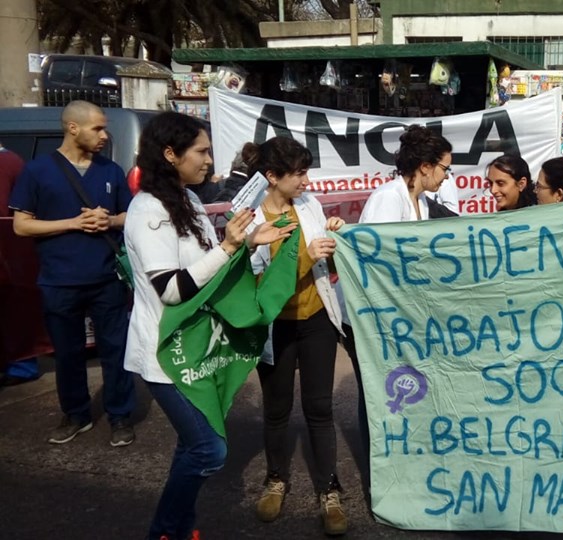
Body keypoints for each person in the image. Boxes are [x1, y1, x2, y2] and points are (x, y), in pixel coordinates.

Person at [123, 112, 295, 540]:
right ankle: (164, 530)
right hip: (165, 354)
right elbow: (172, 290)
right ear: (169, 154)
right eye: (200, 151)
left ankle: (180, 528)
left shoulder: (190, 201)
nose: (209, 159)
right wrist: (228, 245)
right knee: (208, 449)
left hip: (196, 346)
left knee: (193, 445)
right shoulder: (147, 210)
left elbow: (208, 267)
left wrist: (250, 242)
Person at [8, 100, 137, 446]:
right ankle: (76, 414)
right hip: (59, 279)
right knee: (68, 353)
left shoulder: (110, 171)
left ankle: (120, 416)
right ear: (72, 127)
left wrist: (109, 220)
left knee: (116, 350)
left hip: (107, 277)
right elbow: (22, 226)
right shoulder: (37, 171)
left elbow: (130, 214)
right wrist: (74, 223)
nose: (105, 136)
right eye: (97, 128)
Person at [245, 137, 350, 535]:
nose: (306, 181)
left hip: (317, 318)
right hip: (275, 324)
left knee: (320, 408)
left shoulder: (309, 205)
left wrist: (335, 239)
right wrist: (310, 255)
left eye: (307, 171)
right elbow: (261, 281)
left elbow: (326, 258)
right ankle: (276, 480)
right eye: (299, 173)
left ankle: (329, 489)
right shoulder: (252, 220)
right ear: (272, 176)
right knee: (277, 408)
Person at [0, 140, 40, 387]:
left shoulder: (5, 163)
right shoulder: (12, 160)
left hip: (9, 253)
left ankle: (21, 365)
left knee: (13, 311)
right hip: (16, 253)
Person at [359, 125, 452, 223]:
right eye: (445, 169)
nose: (446, 176)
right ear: (425, 167)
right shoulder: (389, 196)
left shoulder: (421, 199)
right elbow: (379, 237)